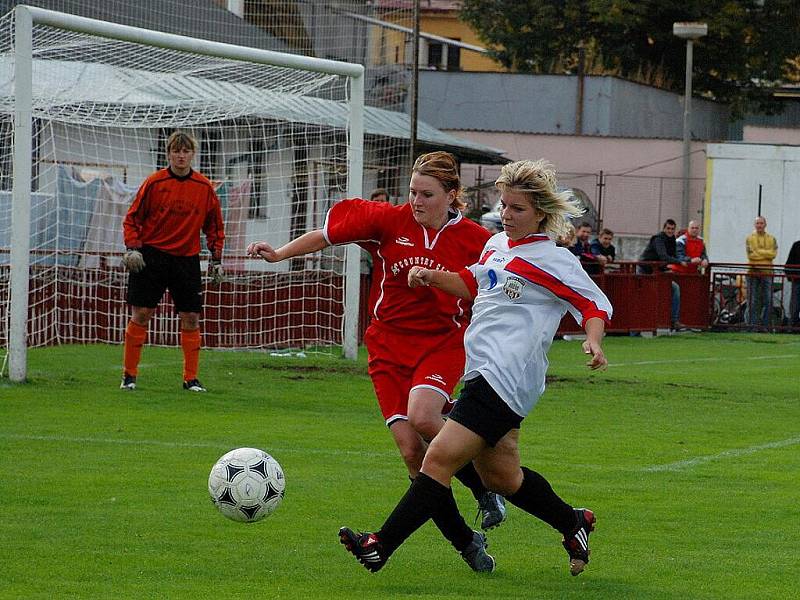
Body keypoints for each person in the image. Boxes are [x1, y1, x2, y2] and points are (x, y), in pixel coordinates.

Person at [339, 159, 612, 577]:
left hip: (508, 378)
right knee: (502, 476)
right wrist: (430, 276)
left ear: (540, 212)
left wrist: (593, 339)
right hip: (482, 372)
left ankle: (380, 545)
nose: (506, 215)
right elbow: (471, 282)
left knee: (437, 461)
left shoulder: (555, 260)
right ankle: (573, 522)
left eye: (517, 209)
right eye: (503, 206)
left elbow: (593, 304)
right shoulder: (496, 246)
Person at [246, 152, 506, 566]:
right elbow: (325, 235)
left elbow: (496, 287)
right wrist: (279, 254)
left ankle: (484, 490)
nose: (416, 201)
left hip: (443, 342)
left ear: (452, 195)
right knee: (410, 452)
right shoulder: (388, 221)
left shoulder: (477, 240)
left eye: (427, 194)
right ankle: (465, 541)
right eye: (412, 192)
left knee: (423, 418)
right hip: (387, 345)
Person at [120, 131, 225, 392]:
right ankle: (129, 376)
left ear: (192, 154)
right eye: (176, 151)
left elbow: (214, 226)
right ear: (168, 154)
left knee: (190, 317)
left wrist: (216, 259)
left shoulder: (204, 188)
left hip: (187, 259)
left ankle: (191, 379)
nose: (181, 155)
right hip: (152, 256)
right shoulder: (154, 183)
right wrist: (132, 248)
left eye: (185, 151)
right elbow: (132, 218)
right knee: (142, 314)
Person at [638, 219, 688, 330]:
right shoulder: (658, 239)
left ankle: (674, 320)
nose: (670, 231)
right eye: (668, 228)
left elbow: (673, 255)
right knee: (646, 296)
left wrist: (684, 260)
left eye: (672, 229)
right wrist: (679, 262)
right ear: (664, 228)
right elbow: (663, 256)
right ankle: (643, 324)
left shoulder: (672, 240)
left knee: (675, 288)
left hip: (658, 271)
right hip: (645, 270)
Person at [745, 216, 778, 328]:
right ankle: (752, 326)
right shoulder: (749, 238)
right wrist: (766, 254)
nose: (759, 225)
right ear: (755, 225)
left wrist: (758, 251)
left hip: (768, 272)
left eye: (761, 223)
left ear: (765, 224)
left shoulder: (772, 238)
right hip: (753, 271)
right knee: (752, 300)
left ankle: (765, 326)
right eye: (757, 223)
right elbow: (751, 255)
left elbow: (773, 254)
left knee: (768, 300)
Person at [786, 240, 800, 328]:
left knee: (795, 303)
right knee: (795, 305)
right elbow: (789, 264)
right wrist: (791, 277)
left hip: (797, 280)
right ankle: (792, 326)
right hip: (797, 280)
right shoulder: (797, 245)